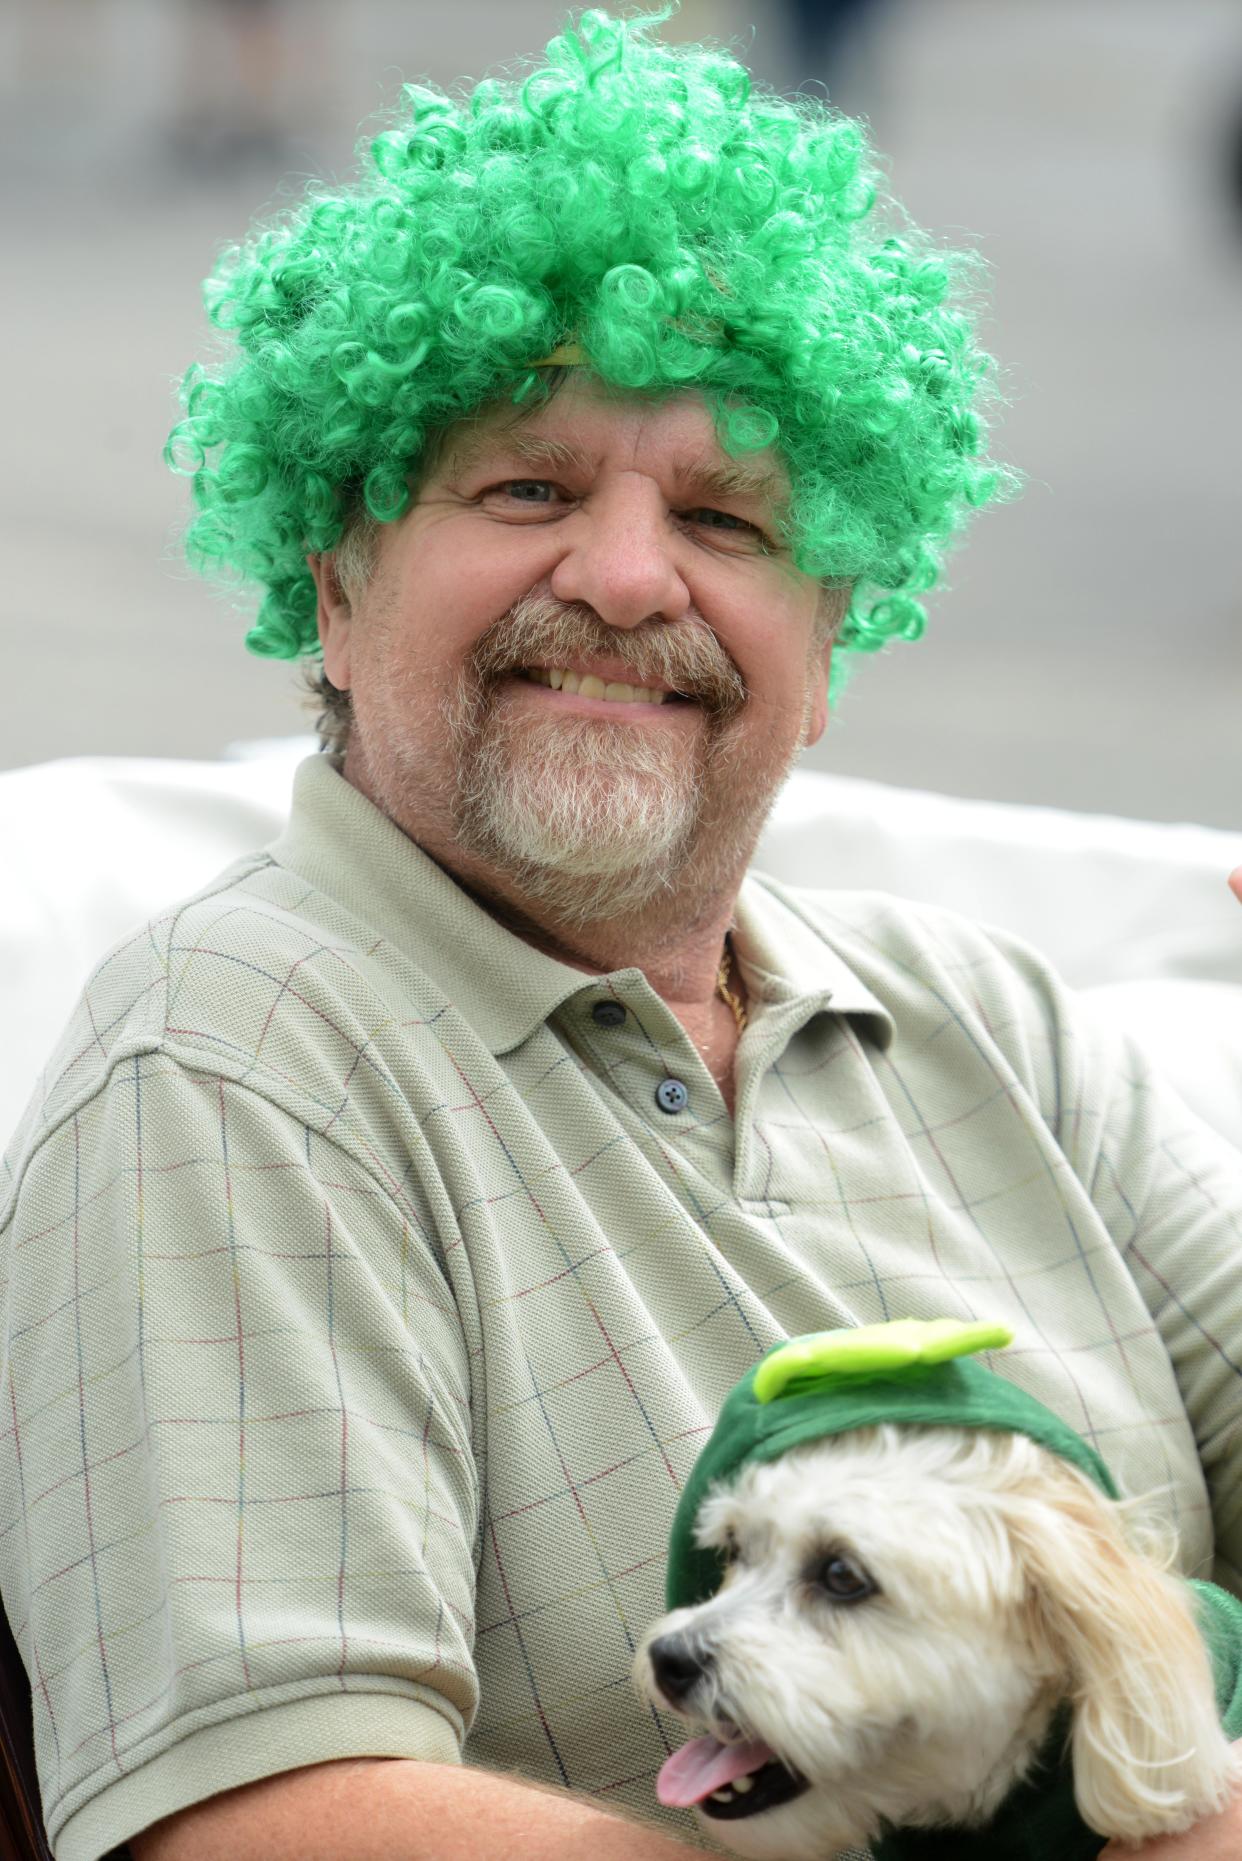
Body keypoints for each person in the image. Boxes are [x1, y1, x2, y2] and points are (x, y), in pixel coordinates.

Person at [2, 11, 1240, 1860]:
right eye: (527, 489)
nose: (629, 573)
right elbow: (269, 1822)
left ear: (822, 649)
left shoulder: (995, 1015)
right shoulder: (235, 1052)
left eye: (728, 516)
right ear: (333, 587)